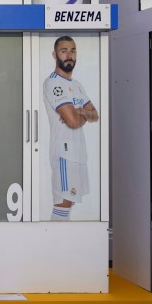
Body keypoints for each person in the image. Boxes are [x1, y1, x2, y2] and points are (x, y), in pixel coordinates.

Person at [42, 36, 98, 221]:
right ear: (54, 54)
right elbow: (73, 122)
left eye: (73, 50)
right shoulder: (53, 83)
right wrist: (82, 113)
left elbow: (95, 115)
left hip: (79, 153)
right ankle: (53, 246)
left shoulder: (77, 85)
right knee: (63, 203)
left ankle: (61, 245)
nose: (69, 55)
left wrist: (79, 112)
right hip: (64, 153)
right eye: (64, 51)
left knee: (70, 203)